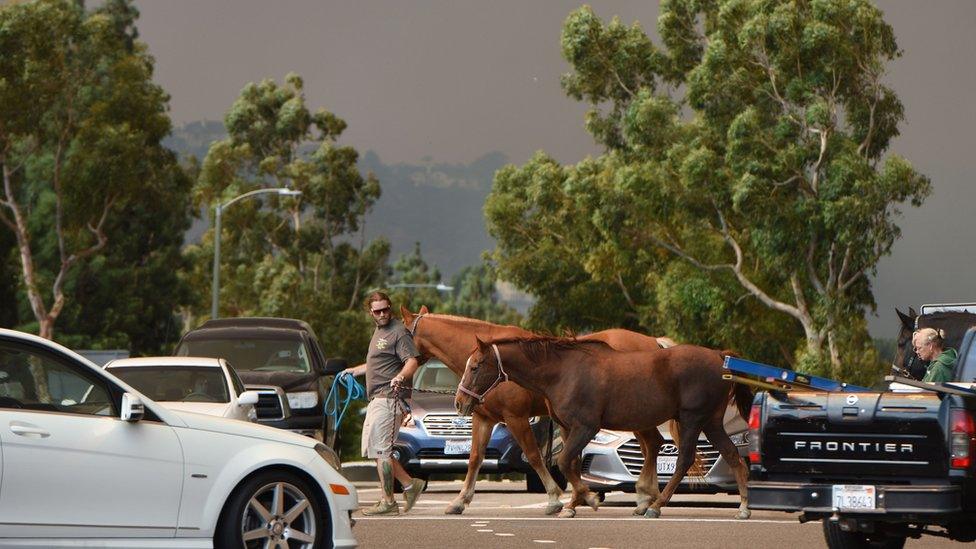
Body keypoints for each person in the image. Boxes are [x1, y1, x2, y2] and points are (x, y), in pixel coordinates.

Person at [343, 291, 425, 516]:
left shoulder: (398, 332)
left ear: (391, 307)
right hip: (376, 399)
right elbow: (377, 364)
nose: (382, 314)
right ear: (370, 312)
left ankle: (389, 501)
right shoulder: (379, 331)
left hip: (390, 399)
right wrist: (354, 371)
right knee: (377, 451)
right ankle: (410, 485)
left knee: (382, 451)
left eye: (386, 309)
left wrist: (400, 376)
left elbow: (412, 361)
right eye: (377, 311)